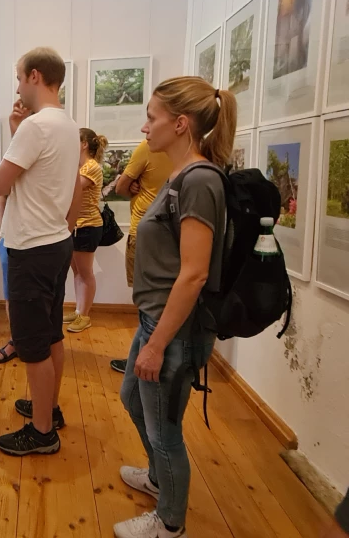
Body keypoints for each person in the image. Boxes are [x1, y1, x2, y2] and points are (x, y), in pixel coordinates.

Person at [114, 77, 236, 538]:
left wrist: (157, 345)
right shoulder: (181, 176)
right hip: (157, 320)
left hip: (174, 329)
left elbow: (194, 274)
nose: (145, 127)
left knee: (165, 430)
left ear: (180, 124)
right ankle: (159, 479)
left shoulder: (200, 180)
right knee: (131, 399)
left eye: (152, 116)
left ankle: (170, 523)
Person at [0, 47, 83, 457]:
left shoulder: (35, 127)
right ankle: (51, 408)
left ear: (33, 76)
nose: (16, 86)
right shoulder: (67, 124)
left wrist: (18, 130)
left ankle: (43, 431)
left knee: (31, 343)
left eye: (18, 78)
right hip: (56, 242)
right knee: (51, 334)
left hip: (31, 246)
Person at [109, 139, 173, 374]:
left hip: (144, 232)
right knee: (161, 300)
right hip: (172, 236)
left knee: (146, 302)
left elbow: (120, 188)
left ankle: (144, 357)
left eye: (152, 118)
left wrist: (132, 184)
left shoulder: (147, 147)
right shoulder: (191, 152)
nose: (146, 128)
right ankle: (156, 355)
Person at [64, 129, 107, 333]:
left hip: (88, 226)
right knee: (77, 272)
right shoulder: (80, 166)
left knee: (85, 273)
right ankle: (79, 310)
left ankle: (85, 314)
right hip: (76, 226)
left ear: (84, 145)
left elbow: (71, 189)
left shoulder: (91, 167)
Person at [0, 194, 18, 364]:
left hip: (42, 239)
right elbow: (2, 196)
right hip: (11, 238)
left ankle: (38, 340)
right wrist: (3, 234)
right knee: (11, 293)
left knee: (40, 294)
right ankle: (15, 340)